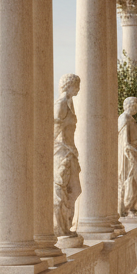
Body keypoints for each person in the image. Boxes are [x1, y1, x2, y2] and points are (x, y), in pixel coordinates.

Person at [54, 73, 82, 238]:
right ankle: (60, 227)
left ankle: (65, 225)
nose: (78, 89)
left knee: (74, 189)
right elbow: (55, 128)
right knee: (62, 188)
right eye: (77, 85)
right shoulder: (61, 103)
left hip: (69, 150)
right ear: (70, 85)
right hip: (62, 151)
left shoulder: (69, 103)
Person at [118, 96, 137, 217]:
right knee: (130, 180)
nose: (136, 108)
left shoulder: (131, 119)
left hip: (135, 153)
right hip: (129, 155)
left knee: (136, 181)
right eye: (134, 105)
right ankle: (128, 208)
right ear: (127, 105)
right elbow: (125, 143)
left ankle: (132, 207)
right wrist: (136, 153)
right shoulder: (124, 118)